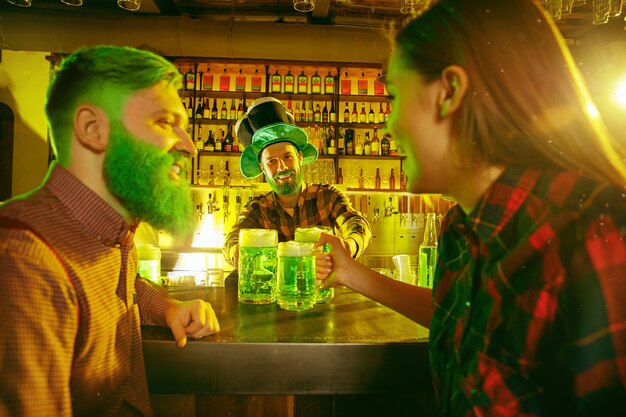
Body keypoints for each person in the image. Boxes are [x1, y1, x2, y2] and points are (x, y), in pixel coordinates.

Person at [316, 1, 626, 416]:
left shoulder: (594, 234)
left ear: (449, 93)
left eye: (394, 96)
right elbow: (464, 320)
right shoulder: (462, 226)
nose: (387, 126)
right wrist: (350, 272)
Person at [0, 46, 220, 417]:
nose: (190, 146)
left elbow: (121, 283)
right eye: (165, 122)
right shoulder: (23, 260)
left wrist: (167, 307)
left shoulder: (112, 233)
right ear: (93, 129)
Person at [222, 97, 371, 268]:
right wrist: (235, 251)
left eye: (287, 157)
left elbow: (356, 224)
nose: (282, 167)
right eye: (271, 161)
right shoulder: (257, 209)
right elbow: (232, 239)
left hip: (320, 292)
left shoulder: (328, 197)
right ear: (262, 168)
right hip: (275, 294)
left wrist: (349, 245)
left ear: (300, 158)